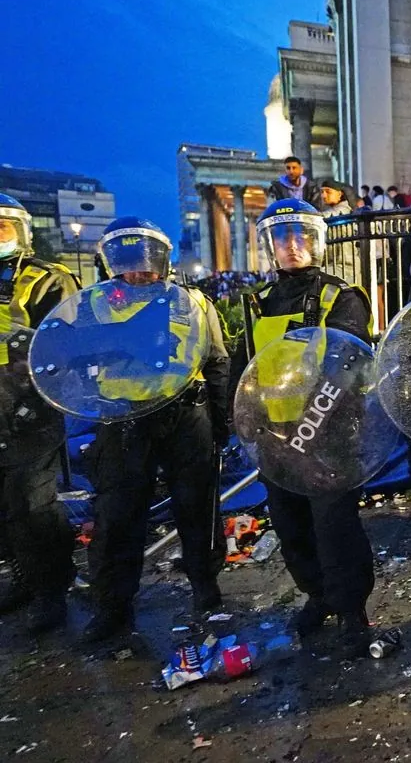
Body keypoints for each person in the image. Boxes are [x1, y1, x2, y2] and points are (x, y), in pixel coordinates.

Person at [236, 198, 376, 657]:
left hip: (327, 435)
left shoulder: (342, 297)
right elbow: (247, 374)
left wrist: (312, 430)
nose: (292, 246)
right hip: (275, 437)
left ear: (316, 242)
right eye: (282, 238)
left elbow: (347, 366)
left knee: (335, 528)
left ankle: (352, 611)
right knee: (291, 527)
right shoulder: (258, 302)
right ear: (270, 247)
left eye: (300, 237)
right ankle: (317, 595)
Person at [84, 218, 229, 642]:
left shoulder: (193, 302)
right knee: (118, 515)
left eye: (147, 262)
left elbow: (215, 361)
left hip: (187, 416)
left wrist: (221, 423)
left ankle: (205, 588)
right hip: (124, 419)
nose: (139, 272)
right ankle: (113, 607)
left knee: (198, 508)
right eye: (129, 262)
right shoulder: (93, 306)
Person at [0, 194, 79, 635]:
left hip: (29, 406)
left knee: (34, 505)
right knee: (5, 507)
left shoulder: (47, 278)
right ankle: (24, 579)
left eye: (2, 228)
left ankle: (52, 590)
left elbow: (63, 340)